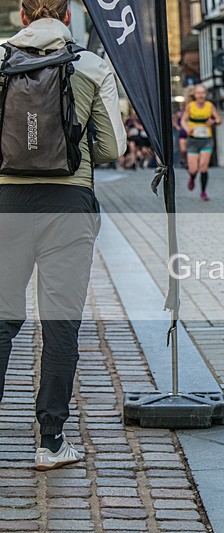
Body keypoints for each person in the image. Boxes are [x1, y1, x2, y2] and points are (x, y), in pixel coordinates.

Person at [0, 0, 125, 470]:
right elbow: (112, 147)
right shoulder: (90, 63)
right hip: (69, 207)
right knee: (60, 324)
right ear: (67, 15)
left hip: (8, 205)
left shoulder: (1, 60)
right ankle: (51, 442)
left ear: (22, 14)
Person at [181, 85, 221, 201]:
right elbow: (183, 120)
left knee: (203, 166)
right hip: (193, 140)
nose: (201, 96)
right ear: (194, 95)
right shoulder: (190, 106)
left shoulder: (210, 106)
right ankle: (192, 177)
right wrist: (187, 129)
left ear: (205, 94)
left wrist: (212, 121)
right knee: (193, 169)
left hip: (206, 139)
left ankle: (203, 192)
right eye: (198, 93)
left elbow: (219, 119)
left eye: (203, 93)